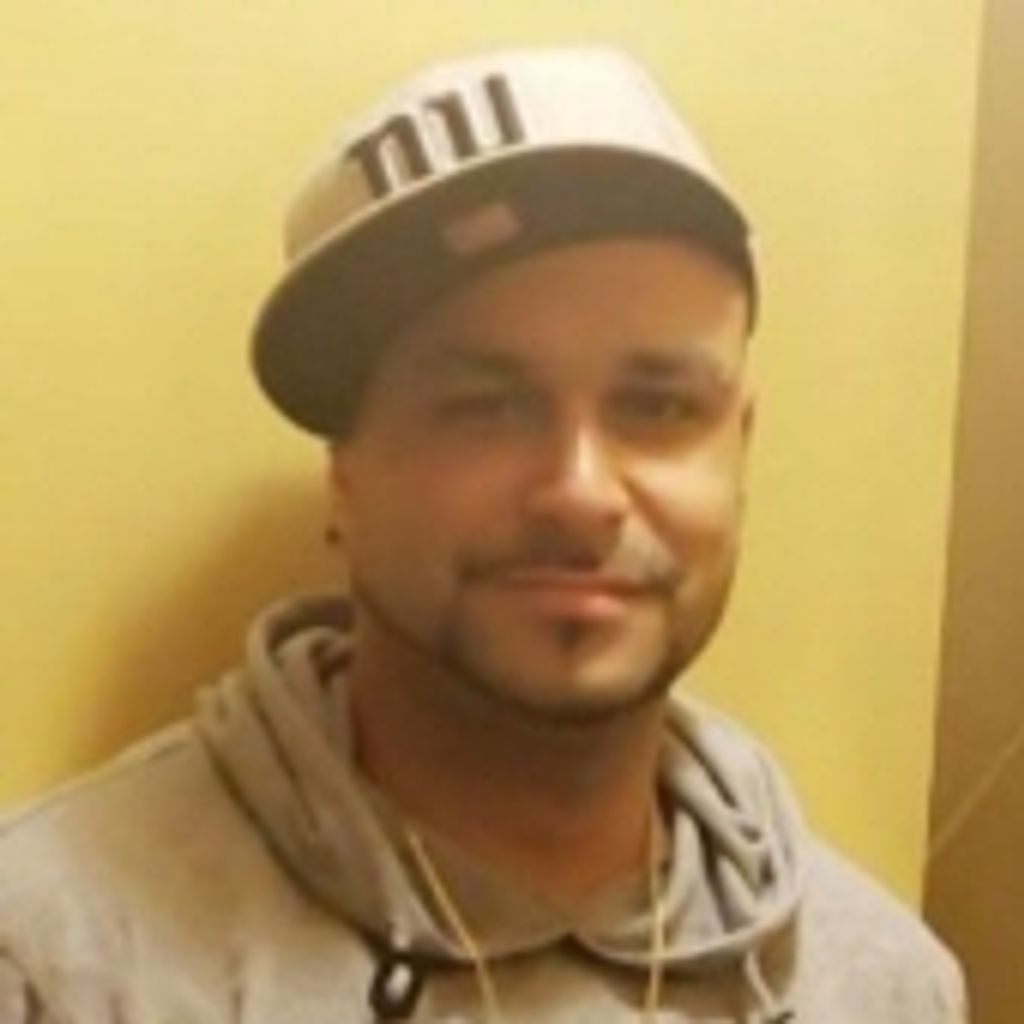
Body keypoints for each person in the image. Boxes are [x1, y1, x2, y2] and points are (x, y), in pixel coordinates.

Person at [0, 46, 965, 1023]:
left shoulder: (886, 990)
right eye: (484, 407)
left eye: (659, 407)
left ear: (739, 448)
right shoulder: (51, 958)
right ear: (346, 472)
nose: (580, 493)